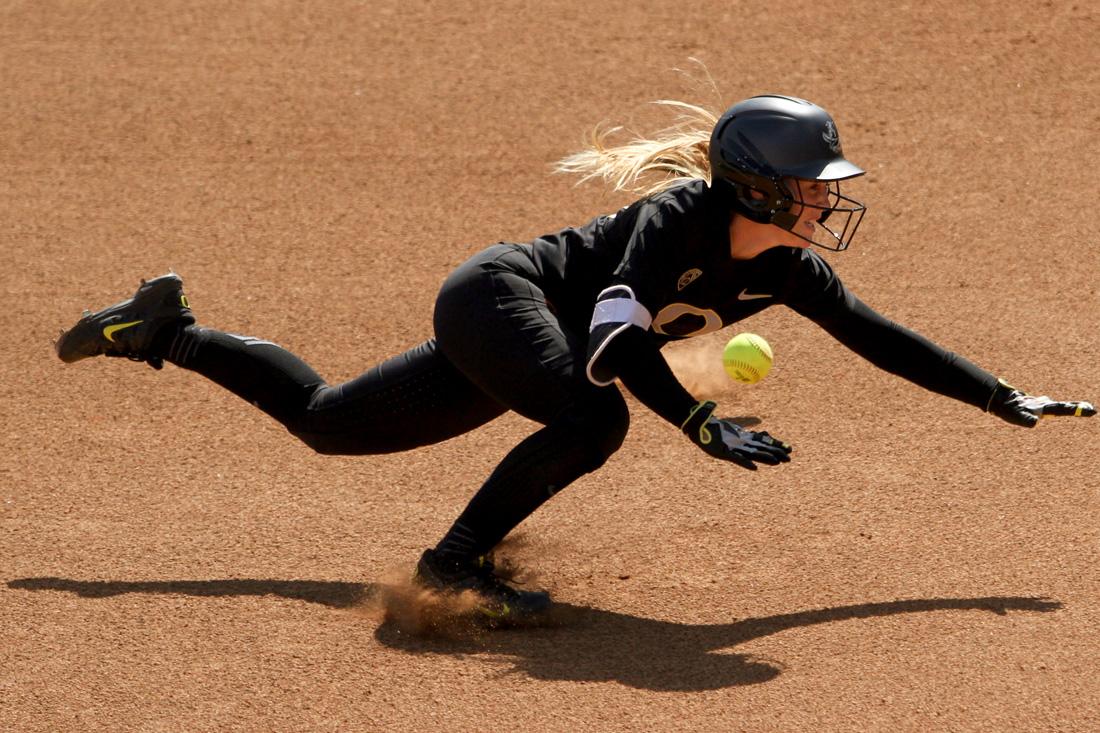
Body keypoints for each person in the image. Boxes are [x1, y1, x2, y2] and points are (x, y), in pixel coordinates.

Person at [56, 94, 1095, 625]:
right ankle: (450, 566)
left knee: (333, 424)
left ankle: (163, 329)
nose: (825, 198)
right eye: (811, 184)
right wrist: (690, 420)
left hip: (533, 337)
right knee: (592, 418)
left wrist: (994, 393)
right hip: (497, 298)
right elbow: (616, 335)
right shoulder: (674, 220)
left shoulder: (784, 271)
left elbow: (877, 336)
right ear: (754, 188)